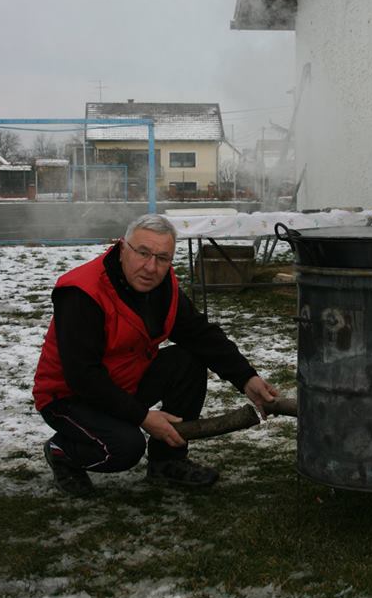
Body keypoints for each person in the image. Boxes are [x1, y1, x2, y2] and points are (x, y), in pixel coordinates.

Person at [33, 213, 278, 498]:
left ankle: (167, 461)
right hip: (69, 397)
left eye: (163, 258)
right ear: (122, 248)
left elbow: (199, 334)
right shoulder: (82, 292)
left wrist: (247, 378)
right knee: (125, 447)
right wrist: (143, 417)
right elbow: (82, 376)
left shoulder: (164, 286)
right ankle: (63, 452)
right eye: (143, 253)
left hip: (123, 381)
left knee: (188, 359)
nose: (151, 267)